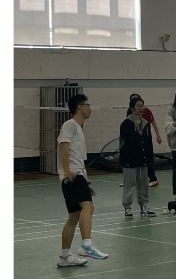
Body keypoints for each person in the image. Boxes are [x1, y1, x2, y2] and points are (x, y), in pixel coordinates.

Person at [56, 93, 108, 267]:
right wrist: (67, 170)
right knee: (88, 206)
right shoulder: (70, 125)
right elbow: (64, 146)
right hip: (72, 175)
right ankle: (87, 245)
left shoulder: (78, 128)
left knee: (74, 216)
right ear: (80, 107)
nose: (90, 108)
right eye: (88, 105)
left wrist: (87, 182)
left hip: (77, 176)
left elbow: (79, 159)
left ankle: (64, 257)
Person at [120, 95, 156, 218]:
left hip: (143, 159)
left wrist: (149, 158)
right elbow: (123, 144)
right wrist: (125, 160)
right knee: (129, 185)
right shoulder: (126, 124)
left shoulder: (145, 124)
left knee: (144, 185)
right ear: (132, 108)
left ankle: (144, 205)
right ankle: (127, 207)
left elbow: (149, 142)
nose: (141, 108)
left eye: (142, 106)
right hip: (129, 161)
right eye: (138, 106)